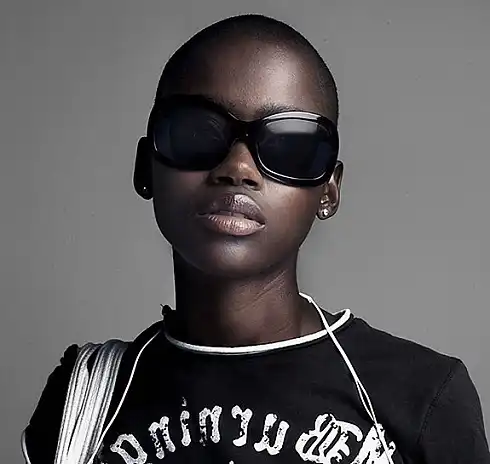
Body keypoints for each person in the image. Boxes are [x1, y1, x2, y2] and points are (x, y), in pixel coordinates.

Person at [21, 13, 490, 464]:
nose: (238, 169)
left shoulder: (422, 396)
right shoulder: (84, 397)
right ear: (146, 167)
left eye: (290, 145)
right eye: (197, 132)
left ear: (328, 191)